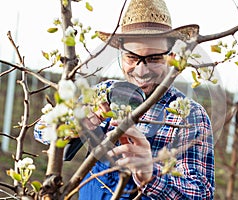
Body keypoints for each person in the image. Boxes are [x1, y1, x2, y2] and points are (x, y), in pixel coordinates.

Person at [34, 0, 215, 199]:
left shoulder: (189, 115)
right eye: (131, 57)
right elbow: (41, 129)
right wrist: (72, 125)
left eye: (154, 58)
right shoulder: (104, 92)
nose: (141, 70)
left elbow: (201, 194)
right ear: (121, 55)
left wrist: (150, 174)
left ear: (171, 58)